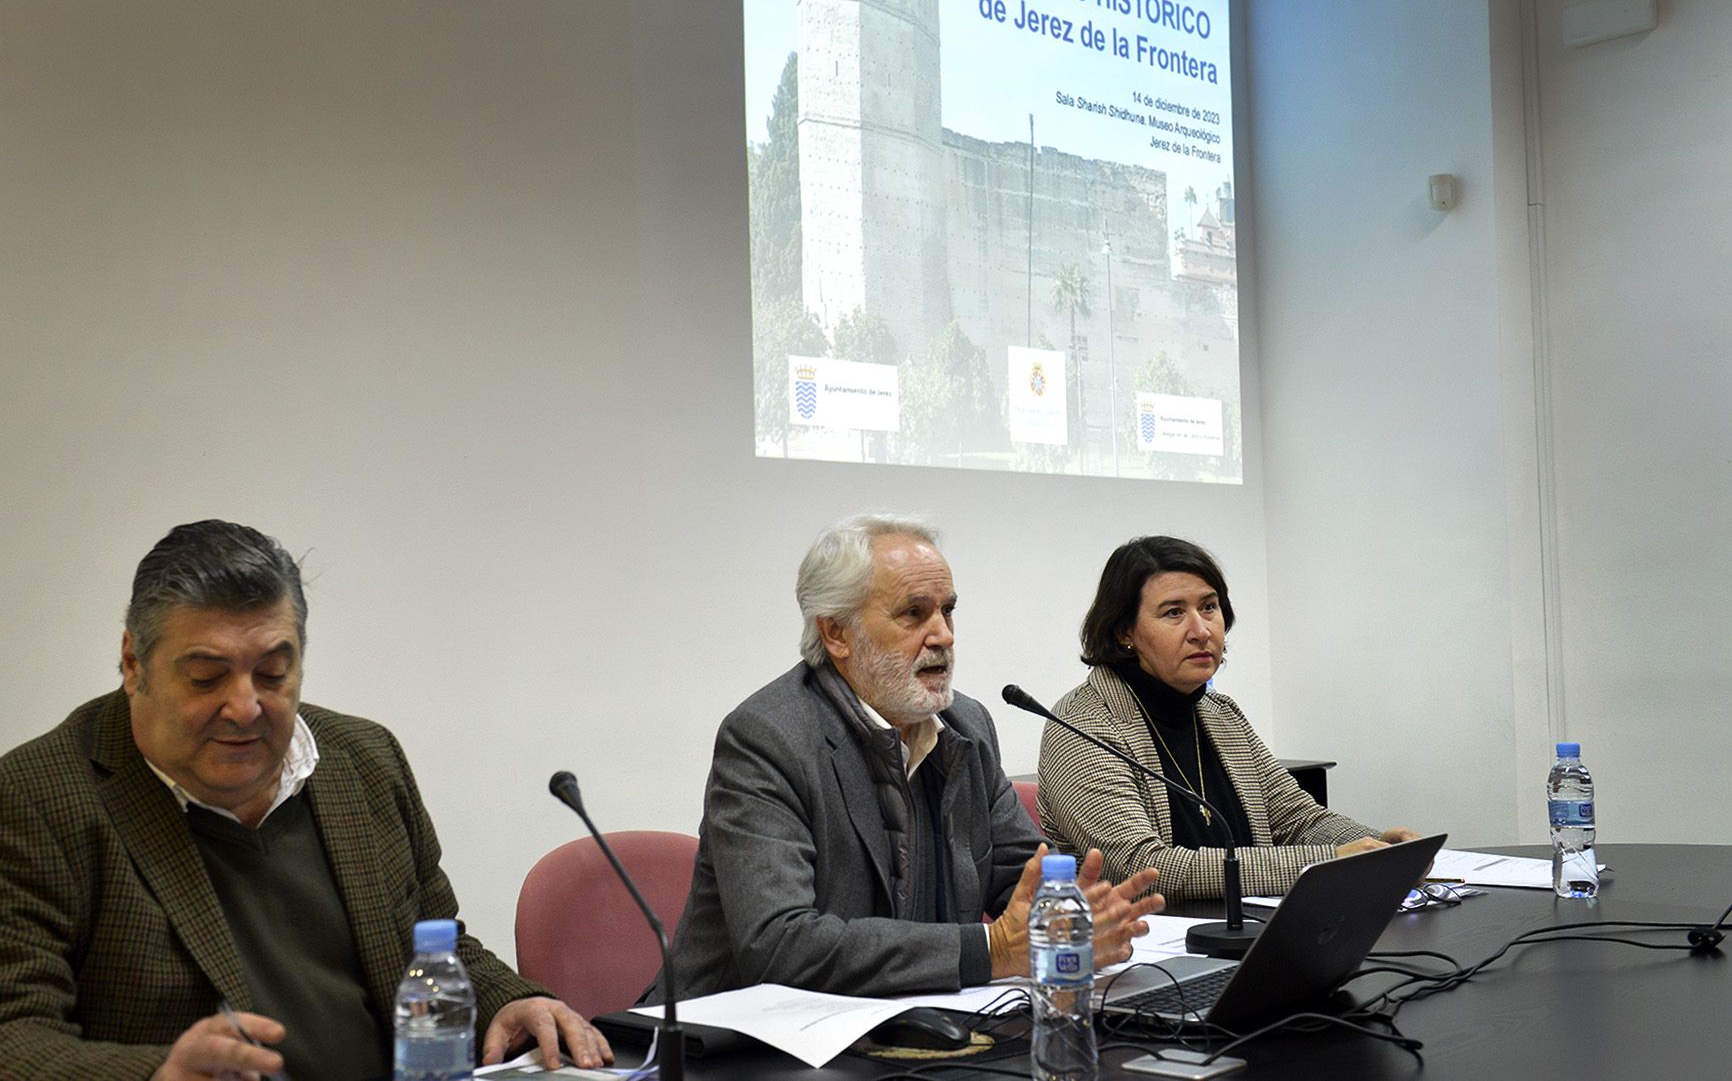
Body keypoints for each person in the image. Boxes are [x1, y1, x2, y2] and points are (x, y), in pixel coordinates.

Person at [0, 520, 611, 1080]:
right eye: (206, 677)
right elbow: (14, 1036)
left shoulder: (364, 761)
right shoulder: (37, 799)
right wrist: (156, 1075)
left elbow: (438, 945)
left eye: (272, 674)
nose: (244, 707)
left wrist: (512, 1000)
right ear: (134, 663)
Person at [655, 514, 1164, 1000]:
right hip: (737, 1042)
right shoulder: (769, 738)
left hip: (913, 1020)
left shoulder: (966, 725)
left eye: (948, 610)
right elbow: (779, 943)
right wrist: (989, 950)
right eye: (913, 613)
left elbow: (1017, 873)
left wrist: (1074, 913)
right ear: (836, 634)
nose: (943, 634)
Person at [1037, 536, 1421, 901]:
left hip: (1253, 930)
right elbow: (1140, 867)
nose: (1202, 631)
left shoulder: (1221, 715)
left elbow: (1296, 821)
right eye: (1174, 613)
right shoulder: (1083, 726)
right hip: (1150, 950)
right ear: (1125, 632)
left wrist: (1383, 848)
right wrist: (1326, 863)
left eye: (1209, 607)